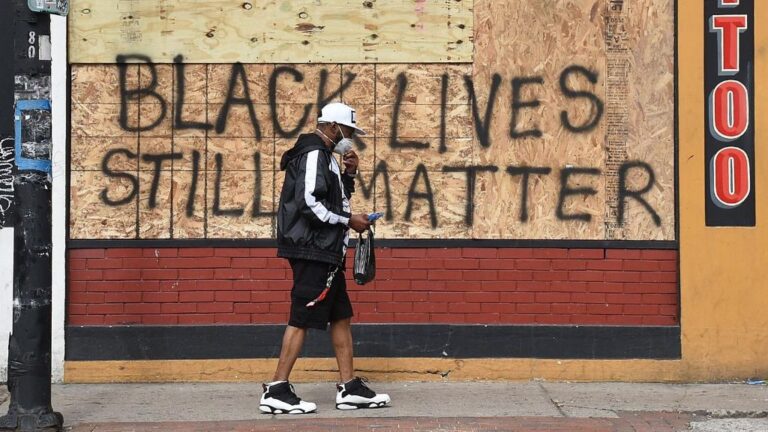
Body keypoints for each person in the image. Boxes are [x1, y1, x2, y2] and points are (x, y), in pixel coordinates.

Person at [260, 102, 391, 414]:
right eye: (347, 131)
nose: (350, 137)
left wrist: (350, 173)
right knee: (301, 316)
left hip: (326, 252)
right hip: (312, 250)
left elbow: (334, 200)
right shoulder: (314, 154)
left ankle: (349, 388)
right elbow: (309, 203)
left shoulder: (328, 157)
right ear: (333, 126)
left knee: (341, 315)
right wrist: (349, 221)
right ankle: (277, 388)